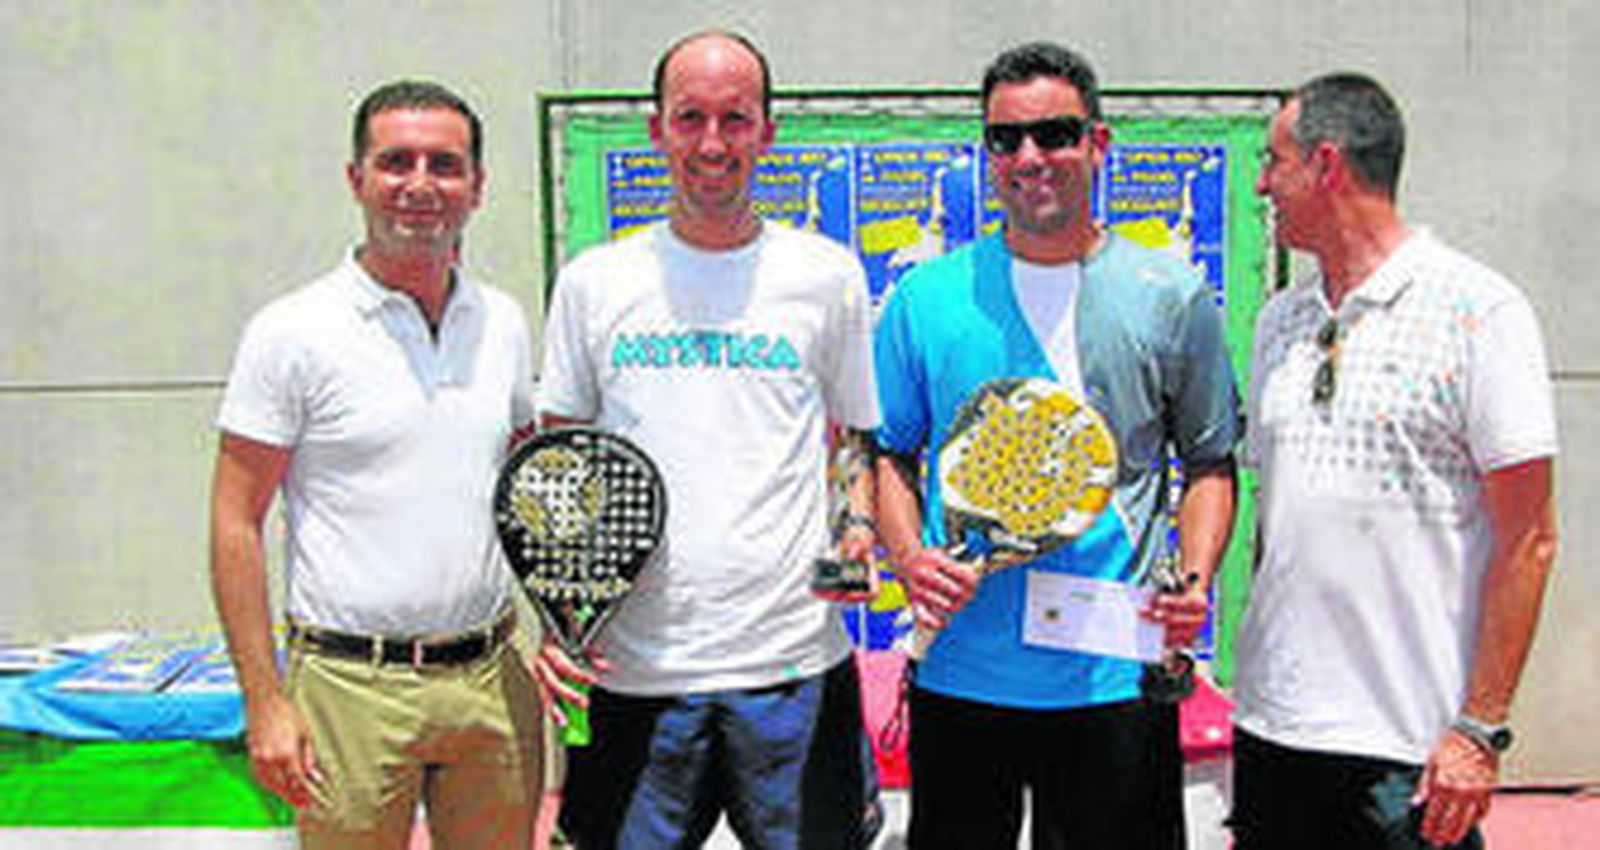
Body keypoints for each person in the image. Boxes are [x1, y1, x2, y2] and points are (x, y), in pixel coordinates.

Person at [874, 41, 1241, 850]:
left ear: (1098, 144)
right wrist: (908, 558)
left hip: (1116, 672)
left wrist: (1194, 578)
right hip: (964, 670)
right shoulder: (927, 297)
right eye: (1007, 140)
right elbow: (889, 453)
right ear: (987, 154)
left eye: (1055, 134)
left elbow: (1210, 460)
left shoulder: (1171, 293)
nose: (1030, 158)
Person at [533, 29, 882, 850]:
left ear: (769, 130)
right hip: (634, 672)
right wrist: (556, 620)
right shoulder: (594, 283)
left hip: (793, 668)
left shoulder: (826, 275)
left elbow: (851, 440)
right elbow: (557, 467)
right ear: (656, 130)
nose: (713, 142)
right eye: (690, 118)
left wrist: (856, 527)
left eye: (736, 118)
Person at [208, 80, 543, 850]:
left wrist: (558, 627)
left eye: (445, 165)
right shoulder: (290, 331)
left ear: (477, 187)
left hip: (491, 680)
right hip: (349, 691)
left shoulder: (503, 323)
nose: (420, 185)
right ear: (356, 179)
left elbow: (526, 495)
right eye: (396, 162)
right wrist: (263, 701)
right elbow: (234, 522)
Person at [1233, 72, 1559, 850]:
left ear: (1327, 165)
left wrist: (1480, 729)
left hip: (1405, 750)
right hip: (1273, 729)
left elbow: (1530, 539)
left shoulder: (1479, 311)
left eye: (1275, 162)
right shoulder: (1280, 320)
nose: (1261, 184)